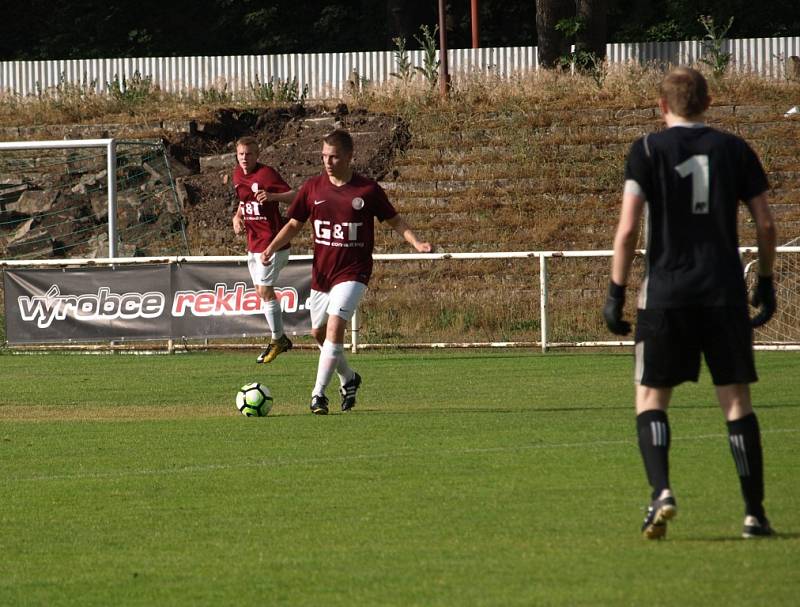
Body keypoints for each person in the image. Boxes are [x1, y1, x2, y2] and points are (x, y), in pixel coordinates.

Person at [602, 67, 778, 540]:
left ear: (663, 106)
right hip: (723, 292)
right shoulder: (735, 149)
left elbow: (627, 230)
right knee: (736, 402)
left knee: (650, 398)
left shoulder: (645, 150)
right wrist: (765, 281)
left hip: (666, 294)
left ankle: (661, 491)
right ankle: (754, 514)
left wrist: (616, 292)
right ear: (708, 101)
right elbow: (765, 225)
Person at [261, 129, 432, 414]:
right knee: (318, 333)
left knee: (334, 327)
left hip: (354, 271)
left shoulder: (367, 190)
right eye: (324, 156)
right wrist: (271, 247)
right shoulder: (312, 188)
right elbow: (293, 224)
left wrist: (416, 242)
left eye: (334, 156)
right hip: (323, 274)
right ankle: (349, 378)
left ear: (350, 157)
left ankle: (318, 395)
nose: (327, 162)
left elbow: (395, 220)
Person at [232, 136, 297, 364]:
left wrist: (272, 196)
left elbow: (295, 197)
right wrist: (237, 216)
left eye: (249, 154)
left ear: (257, 155)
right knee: (261, 293)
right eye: (241, 154)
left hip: (273, 244)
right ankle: (280, 339)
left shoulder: (267, 174)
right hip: (253, 243)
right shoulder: (237, 174)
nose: (244, 158)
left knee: (265, 290)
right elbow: (243, 200)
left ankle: (278, 339)